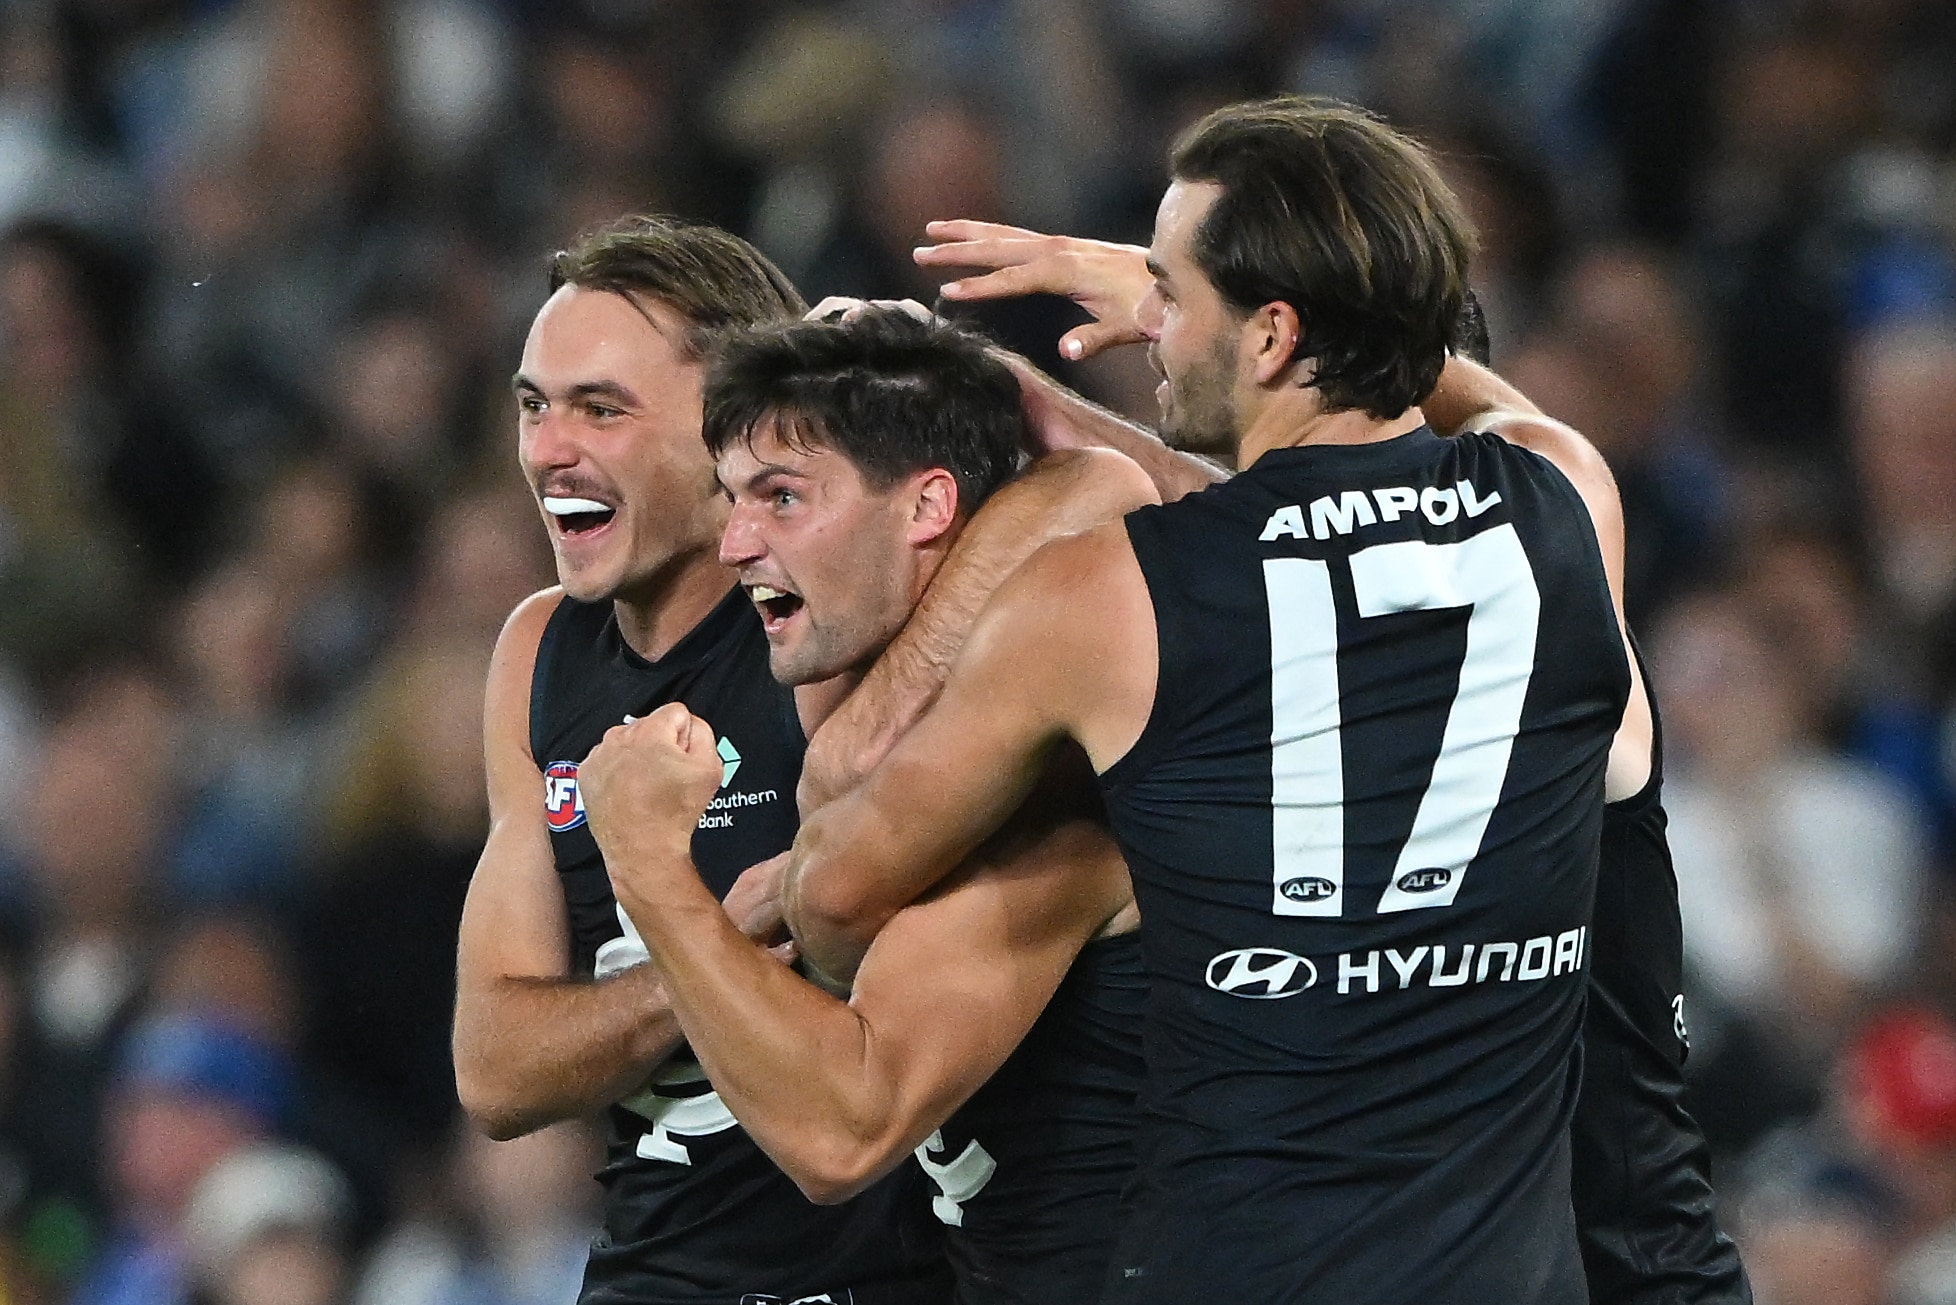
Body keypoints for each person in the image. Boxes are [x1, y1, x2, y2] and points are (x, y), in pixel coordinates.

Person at [746, 95, 1638, 1302]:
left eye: (1168, 295)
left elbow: (842, 892)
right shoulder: (1564, 504)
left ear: (1270, 337)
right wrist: (1254, 301)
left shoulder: (1106, 595)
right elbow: (1462, 413)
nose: (1146, 325)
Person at [914, 174, 1752, 1305]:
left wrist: (1129, 401)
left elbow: (1278, 557)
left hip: (1536, 1241)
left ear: (1286, 338)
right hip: (1610, 1242)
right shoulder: (1558, 546)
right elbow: (1331, 539)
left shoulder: (1303, 645)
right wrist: (1210, 318)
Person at [576, 308, 1159, 1305]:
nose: (737, 542)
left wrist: (646, 867)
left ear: (929, 506)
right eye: (732, 500)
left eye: (784, 499)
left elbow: (841, 1130)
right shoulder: (888, 722)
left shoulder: (1046, 782)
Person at [450, 215, 951, 1305]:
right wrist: (705, 955)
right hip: (653, 1274)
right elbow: (496, 1064)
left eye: (600, 409)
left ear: (730, 424)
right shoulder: (537, 654)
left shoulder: (838, 627)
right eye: (534, 405)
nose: (547, 450)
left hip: (884, 1276)